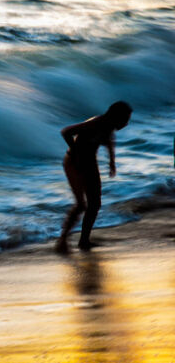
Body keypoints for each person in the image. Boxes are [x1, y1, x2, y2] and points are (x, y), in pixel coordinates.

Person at [56, 101, 132, 253]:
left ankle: (84, 241)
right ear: (116, 116)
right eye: (125, 119)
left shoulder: (108, 126)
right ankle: (62, 240)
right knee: (81, 205)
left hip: (90, 162)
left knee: (95, 204)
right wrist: (76, 153)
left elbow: (110, 141)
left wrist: (112, 162)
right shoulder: (95, 123)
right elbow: (66, 132)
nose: (126, 123)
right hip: (73, 162)